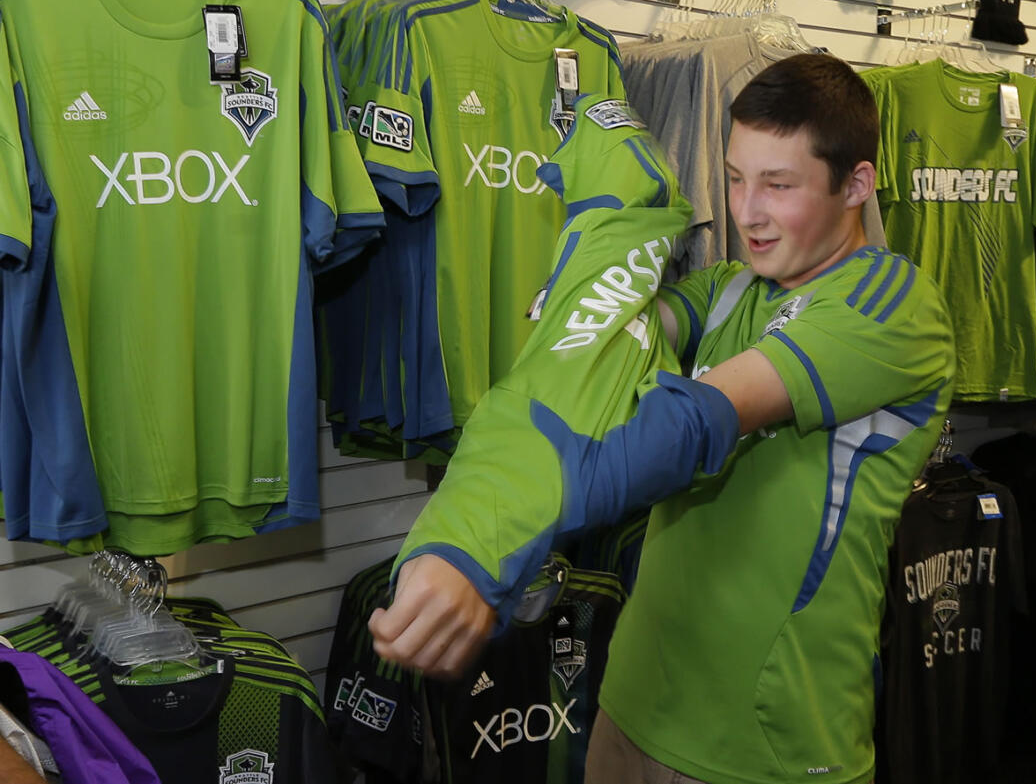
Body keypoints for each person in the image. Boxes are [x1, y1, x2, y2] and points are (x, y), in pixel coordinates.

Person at [369, 53, 956, 784]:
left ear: (856, 184)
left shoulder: (892, 306)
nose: (746, 212)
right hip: (631, 705)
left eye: (779, 185)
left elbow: (690, 426)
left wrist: (495, 539)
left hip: (765, 745)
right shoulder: (728, 288)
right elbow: (590, 349)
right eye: (736, 177)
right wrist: (609, 215)